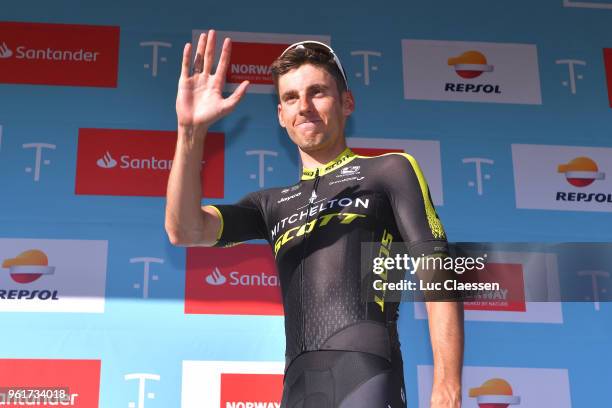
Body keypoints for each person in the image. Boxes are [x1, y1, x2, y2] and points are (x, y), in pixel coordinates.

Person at [166, 30, 463, 408]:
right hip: (297, 390)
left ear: (347, 102)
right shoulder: (269, 204)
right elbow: (184, 230)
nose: (303, 105)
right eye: (290, 97)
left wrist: (447, 388)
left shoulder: (390, 170)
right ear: (281, 115)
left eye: (317, 92)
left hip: (368, 377)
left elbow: (438, 272)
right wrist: (190, 133)